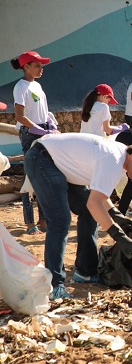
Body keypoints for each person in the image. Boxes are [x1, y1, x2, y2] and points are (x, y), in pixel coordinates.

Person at [24, 133, 132, 300]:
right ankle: (54, 285)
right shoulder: (114, 160)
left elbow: (99, 197)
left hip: (61, 164)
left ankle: (85, 271)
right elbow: (94, 203)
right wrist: (118, 235)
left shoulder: (120, 159)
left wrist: (118, 217)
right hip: (43, 159)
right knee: (60, 220)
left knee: (88, 213)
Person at [11, 50, 59, 236]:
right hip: (30, 134)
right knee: (29, 177)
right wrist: (36, 129)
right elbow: (20, 116)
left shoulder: (37, 86)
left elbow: (42, 111)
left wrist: (50, 122)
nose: (41, 69)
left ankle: (44, 220)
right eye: (37, 65)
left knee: (43, 175)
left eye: (41, 65)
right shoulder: (21, 87)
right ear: (26, 66)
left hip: (42, 132)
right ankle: (30, 222)